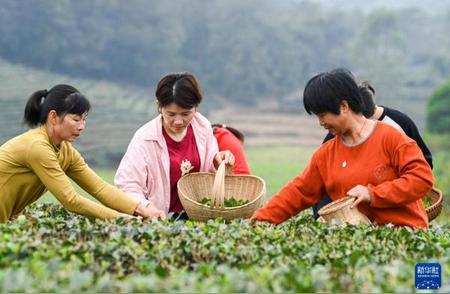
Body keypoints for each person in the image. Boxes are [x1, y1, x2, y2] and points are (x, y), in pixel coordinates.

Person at [251, 68, 434, 229]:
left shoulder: (390, 138)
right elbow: (298, 192)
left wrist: (373, 194)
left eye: (323, 115)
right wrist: (258, 221)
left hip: (406, 236)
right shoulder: (326, 154)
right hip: (361, 245)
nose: (321, 123)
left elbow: (422, 179)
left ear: (344, 106)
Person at [0, 84, 165, 223]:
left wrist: (141, 209)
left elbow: (100, 188)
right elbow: (71, 200)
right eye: (76, 119)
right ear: (53, 117)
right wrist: (121, 219)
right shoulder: (37, 146)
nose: (81, 126)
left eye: (84, 119)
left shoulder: (65, 152)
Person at [115, 72, 234, 220]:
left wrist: (217, 162)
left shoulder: (202, 127)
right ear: (159, 106)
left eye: (185, 114)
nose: (178, 121)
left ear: (195, 107)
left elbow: (208, 173)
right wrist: (146, 207)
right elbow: (128, 184)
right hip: (160, 219)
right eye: (171, 114)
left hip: (198, 218)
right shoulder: (145, 139)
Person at [311, 80, 434, 218]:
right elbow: (322, 178)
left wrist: (391, 188)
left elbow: (424, 166)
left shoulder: (400, 123)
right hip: (353, 210)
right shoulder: (340, 133)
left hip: (395, 203)